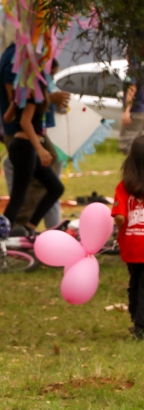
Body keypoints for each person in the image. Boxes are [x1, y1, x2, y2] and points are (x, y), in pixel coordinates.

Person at [1, 83, 65, 236]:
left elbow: (7, 117)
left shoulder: (23, 92)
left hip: (22, 146)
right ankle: (1, 235)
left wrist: (14, 103)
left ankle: (30, 226)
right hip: (25, 147)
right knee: (19, 196)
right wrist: (40, 149)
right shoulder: (32, 92)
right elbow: (24, 121)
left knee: (56, 188)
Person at [111, 136, 144, 340]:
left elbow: (121, 218)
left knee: (135, 282)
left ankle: (136, 320)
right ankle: (141, 326)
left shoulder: (124, 186)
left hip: (131, 246)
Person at [121, 61, 144, 155]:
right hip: (141, 111)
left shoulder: (134, 68)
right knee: (140, 143)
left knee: (128, 144)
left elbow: (132, 88)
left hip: (134, 111)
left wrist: (126, 110)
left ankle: (132, 168)